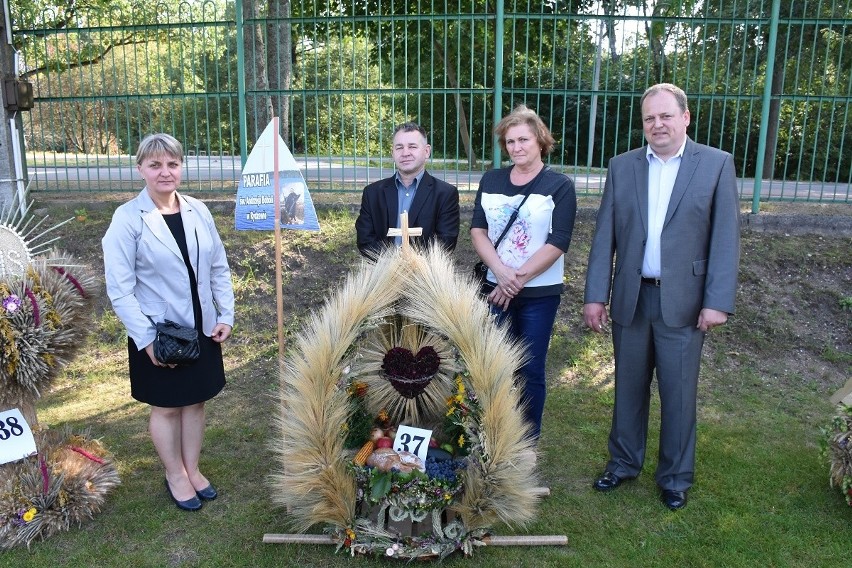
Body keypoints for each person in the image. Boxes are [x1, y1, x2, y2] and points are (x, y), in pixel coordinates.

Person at [583, 83, 740, 510]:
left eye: (666, 116)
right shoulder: (623, 166)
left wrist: (717, 301)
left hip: (686, 304)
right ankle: (623, 463)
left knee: (678, 392)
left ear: (686, 117)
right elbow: (605, 238)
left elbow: (725, 239)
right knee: (628, 389)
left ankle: (674, 477)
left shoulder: (715, 165)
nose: (658, 124)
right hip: (632, 300)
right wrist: (596, 295)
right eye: (650, 118)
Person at [102, 133, 235, 512]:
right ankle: (174, 473)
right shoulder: (127, 219)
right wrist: (145, 340)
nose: (165, 172)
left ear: (181, 167)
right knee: (166, 406)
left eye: (172, 164)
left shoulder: (198, 210)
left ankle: (192, 469)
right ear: (140, 168)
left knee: (195, 403)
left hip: (202, 328)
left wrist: (225, 314)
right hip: (160, 334)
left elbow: (218, 267)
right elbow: (120, 289)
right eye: (155, 165)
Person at [470, 104, 577, 442]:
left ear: (540, 140)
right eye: (510, 141)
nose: (516, 147)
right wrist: (500, 272)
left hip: (538, 296)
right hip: (494, 289)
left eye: (523, 140)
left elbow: (558, 242)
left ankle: (527, 441)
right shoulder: (491, 179)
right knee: (492, 367)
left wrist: (514, 280)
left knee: (530, 369)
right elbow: (477, 231)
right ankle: (493, 437)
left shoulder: (559, 185)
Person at [355, 122, 460, 257]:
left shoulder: (445, 194)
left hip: (424, 274)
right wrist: (393, 264)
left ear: (426, 151)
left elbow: (446, 242)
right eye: (399, 147)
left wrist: (412, 266)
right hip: (382, 272)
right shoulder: (373, 193)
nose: (405, 153)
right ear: (393, 152)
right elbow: (365, 239)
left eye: (412, 146)